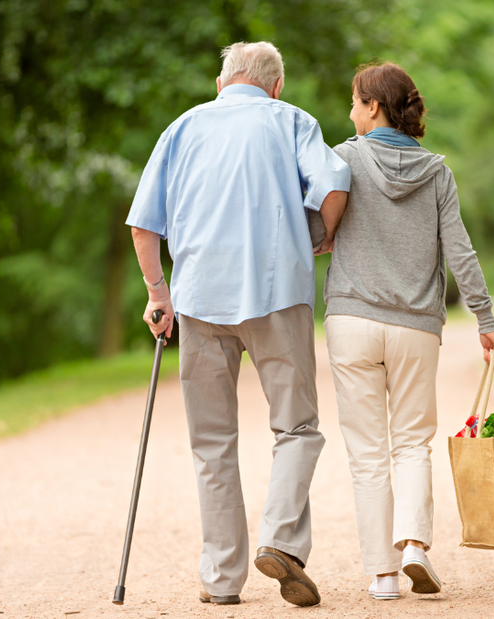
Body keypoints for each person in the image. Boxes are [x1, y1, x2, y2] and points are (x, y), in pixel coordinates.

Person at [126, 41, 349, 607]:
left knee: (211, 442)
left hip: (200, 300)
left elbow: (144, 226)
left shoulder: (182, 128)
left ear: (222, 81)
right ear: (275, 85)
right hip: (277, 294)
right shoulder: (292, 121)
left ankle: (222, 580)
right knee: (297, 428)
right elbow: (335, 185)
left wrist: (159, 293)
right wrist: (318, 238)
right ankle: (280, 540)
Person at [323, 61, 494, 600]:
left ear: (374, 107)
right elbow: (461, 253)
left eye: (355, 102)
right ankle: (415, 547)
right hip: (415, 328)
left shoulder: (344, 159)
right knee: (410, 444)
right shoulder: (438, 172)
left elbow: (317, 229)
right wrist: (485, 320)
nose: (351, 111)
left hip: (352, 320)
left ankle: (381, 576)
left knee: (367, 451)